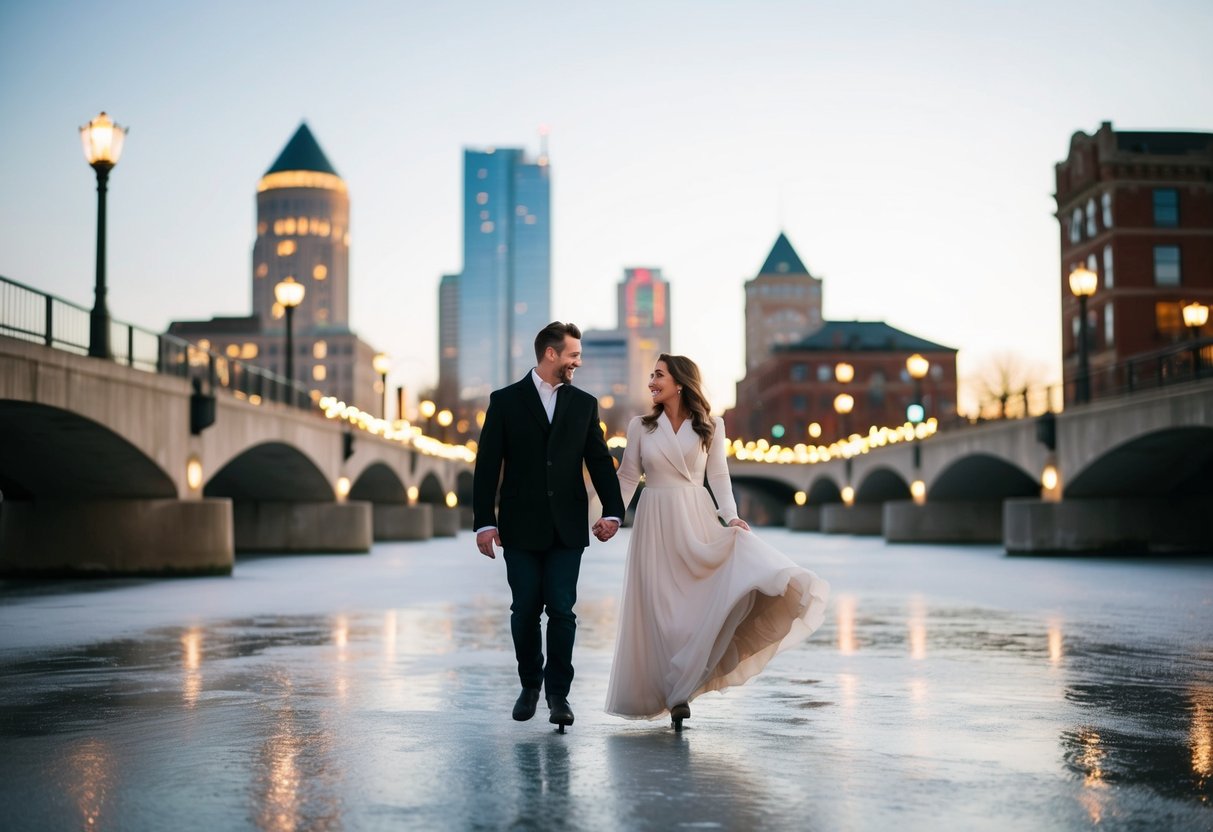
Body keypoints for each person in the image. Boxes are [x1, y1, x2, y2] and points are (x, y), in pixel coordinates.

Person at [605, 354, 829, 729]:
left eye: (658, 375)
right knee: (659, 609)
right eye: (651, 375)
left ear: (679, 382)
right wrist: (613, 516)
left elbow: (719, 475)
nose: (651, 382)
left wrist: (731, 515)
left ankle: (681, 691)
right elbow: (628, 477)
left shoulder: (711, 425)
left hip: (696, 516)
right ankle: (667, 690)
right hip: (654, 520)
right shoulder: (640, 426)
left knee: (692, 607)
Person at [474, 321, 626, 732]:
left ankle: (559, 695)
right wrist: (484, 523)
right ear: (551, 354)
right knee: (524, 610)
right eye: (573, 354)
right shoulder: (504, 401)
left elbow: (598, 459)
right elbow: (487, 465)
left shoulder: (584, 404)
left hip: (567, 528)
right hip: (519, 527)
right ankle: (529, 684)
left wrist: (613, 511)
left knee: (562, 610)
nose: (578, 361)